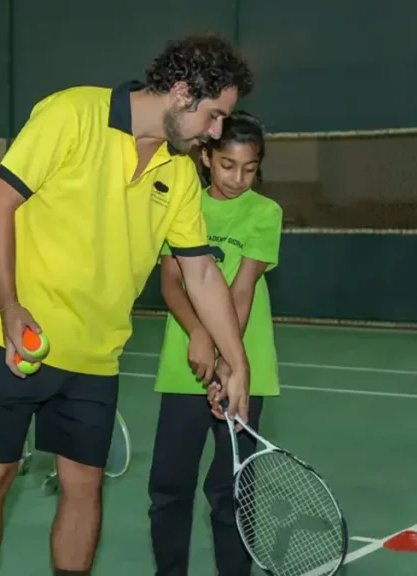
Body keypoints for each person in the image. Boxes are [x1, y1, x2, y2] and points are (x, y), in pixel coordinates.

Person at [0, 34, 255, 576]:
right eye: (214, 116)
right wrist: (9, 305)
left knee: (84, 486)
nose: (216, 132)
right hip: (17, 338)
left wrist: (238, 361)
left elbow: (201, 272)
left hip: (96, 357)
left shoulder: (181, 173)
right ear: (182, 93)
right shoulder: (72, 113)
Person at [148, 111, 283, 576]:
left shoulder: (265, 213)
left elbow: (241, 291)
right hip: (183, 366)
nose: (238, 178)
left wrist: (229, 361)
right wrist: (201, 335)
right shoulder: (182, 203)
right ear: (205, 156)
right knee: (168, 488)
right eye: (227, 165)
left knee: (231, 491)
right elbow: (171, 283)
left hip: (246, 368)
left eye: (249, 168)